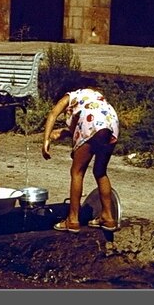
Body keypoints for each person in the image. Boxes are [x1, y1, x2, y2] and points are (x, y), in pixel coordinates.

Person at [42, 86, 120, 233]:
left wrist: (46, 140)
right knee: (100, 171)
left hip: (92, 123)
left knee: (77, 172)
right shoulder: (93, 97)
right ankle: (108, 217)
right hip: (111, 122)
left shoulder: (70, 96)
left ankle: (72, 219)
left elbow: (53, 114)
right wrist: (65, 133)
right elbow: (82, 128)